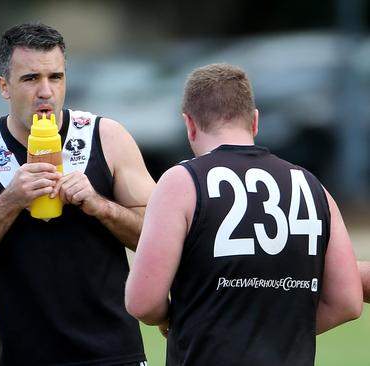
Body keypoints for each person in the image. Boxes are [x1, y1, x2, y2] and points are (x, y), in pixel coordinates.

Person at [0, 22, 155, 365]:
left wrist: (100, 206)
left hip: (113, 354)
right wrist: (10, 199)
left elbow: (162, 236)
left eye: (56, 77)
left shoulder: (106, 137)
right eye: (31, 79)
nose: (46, 91)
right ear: (4, 86)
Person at [125, 63, 363, 366]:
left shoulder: (182, 182)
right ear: (255, 121)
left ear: (190, 124)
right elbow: (347, 302)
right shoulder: (312, 185)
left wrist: (172, 320)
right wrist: (280, 335)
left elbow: (142, 302)